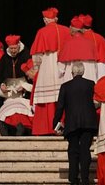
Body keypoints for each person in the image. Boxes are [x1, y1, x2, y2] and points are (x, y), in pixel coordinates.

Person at [54, 62, 99, 185]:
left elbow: (60, 107)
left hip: (72, 122)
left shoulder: (65, 86)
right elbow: (96, 101)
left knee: (73, 150)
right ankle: (85, 179)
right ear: (83, 72)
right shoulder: (90, 84)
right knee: (85, 149)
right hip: (88, 121)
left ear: (72, 72)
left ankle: (73, 178)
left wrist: (55, 123)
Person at [31, 7, 71, 135]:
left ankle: (46, 128)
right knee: (62, 95)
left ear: (45, 20)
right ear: (56, 19)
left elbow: (37, 55)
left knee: (47, 97)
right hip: (64, 63)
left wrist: (37, 68)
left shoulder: (42, 32)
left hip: (48, 64)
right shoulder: (66, 30)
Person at [0, 58, 35, 136]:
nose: (29, 78)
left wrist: (24, 86)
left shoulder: (37, 78)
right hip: (16, 103)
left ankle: (8, 127)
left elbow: (35, 89)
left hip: (21, 102)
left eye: (28, 75)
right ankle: (11, 127)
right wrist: (3, 89)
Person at [59, 16, 100, 83]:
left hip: (72, 81)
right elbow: (95, 67)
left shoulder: (68, 43)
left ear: (72, 29)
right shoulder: (90, 43)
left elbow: (61, 69)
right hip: (89, 79)